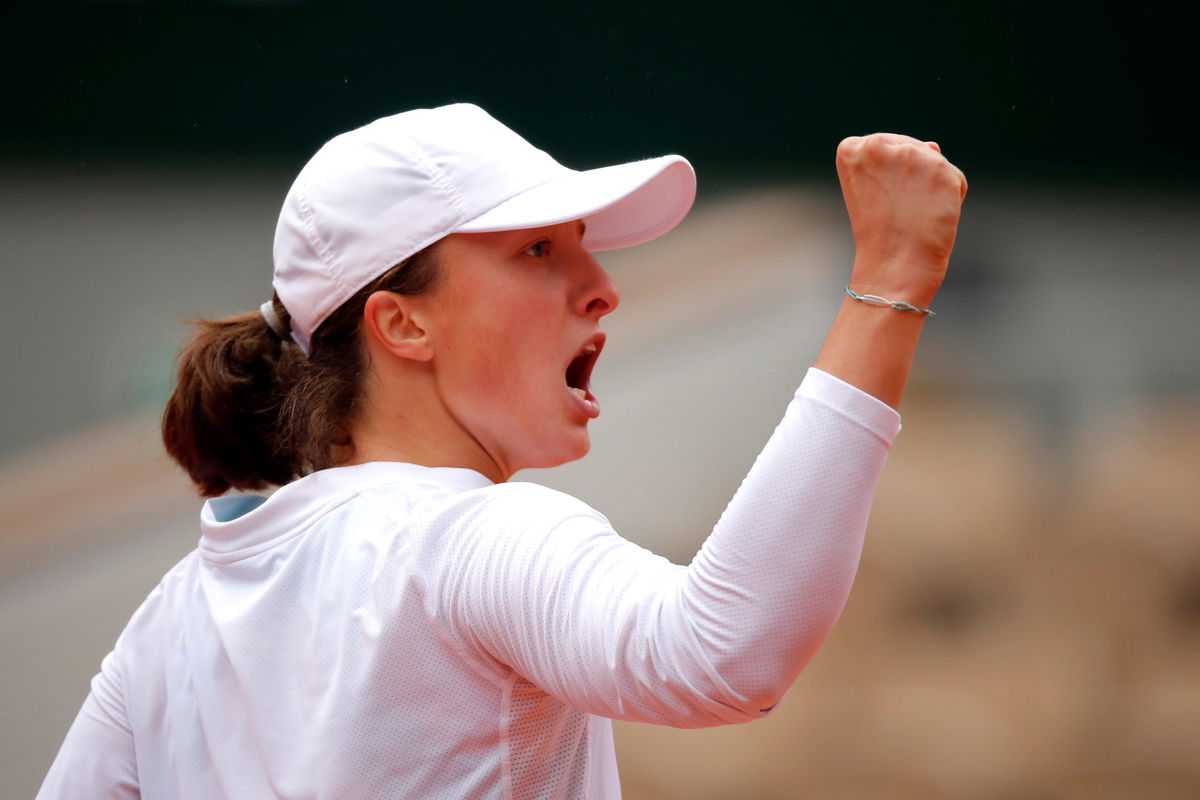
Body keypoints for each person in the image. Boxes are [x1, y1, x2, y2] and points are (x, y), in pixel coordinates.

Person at [38, 103, 966, 798]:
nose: (601, 286)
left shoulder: (173, 616)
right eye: (535, 251)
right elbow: (725, 653)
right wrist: (889, 284)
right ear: (402, 324)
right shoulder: (468, 538)